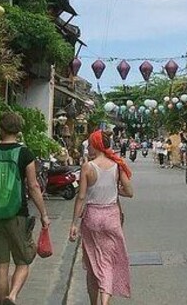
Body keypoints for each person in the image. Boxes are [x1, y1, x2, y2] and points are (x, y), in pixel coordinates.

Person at [0, 112, 50, 305]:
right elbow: (33, 187)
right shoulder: (25, 154)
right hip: (18, 214)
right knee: (23, 262)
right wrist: (43, 214)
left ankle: (3, 302)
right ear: (18, 130)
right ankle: (13, 295)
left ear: (0, 129)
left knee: (1, 265)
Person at [70, 130, 133, 304]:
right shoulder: (116, 165)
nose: (88, 147)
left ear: (96, 145)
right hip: (112, 216)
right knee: (107, 263)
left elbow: (81, 196)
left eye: (89, 144)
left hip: (92, 218)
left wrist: (74, 223)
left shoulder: (88, 167)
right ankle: (105, 301)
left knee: (92, 265)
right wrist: (114, 190)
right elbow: (129, 192)